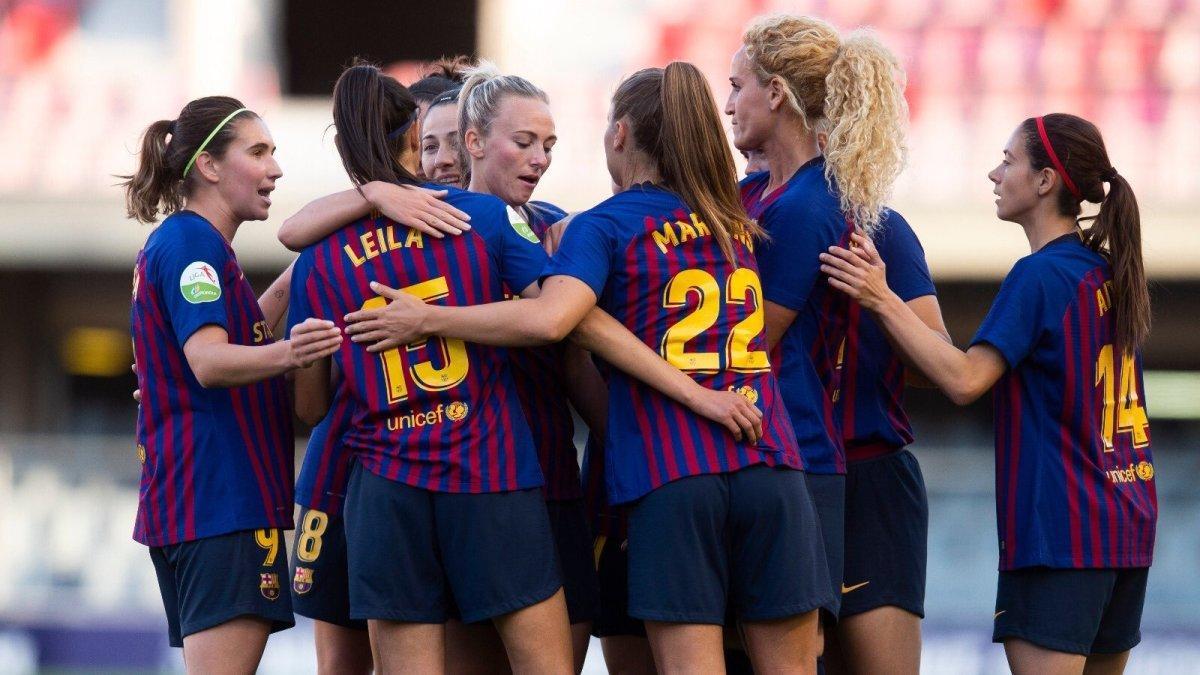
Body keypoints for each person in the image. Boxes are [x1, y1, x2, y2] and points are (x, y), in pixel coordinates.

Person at [345, 62, 830, 673]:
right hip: (770, 460)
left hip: (668, 472)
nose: (541, 157)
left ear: (620, 134)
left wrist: (428, 319)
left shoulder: (595, 226)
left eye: (548, 143)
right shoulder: (735, 221)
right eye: (527, 142)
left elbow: (555, 318)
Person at [820, 113, 1156, 675]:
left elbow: (963, 379)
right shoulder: (1106, 271)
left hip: (1060, 535)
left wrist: (880, 297)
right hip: (1126, 523)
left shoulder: (1039, 275)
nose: (994, 173)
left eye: (1008, 160)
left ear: (1045, 180)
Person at [288, 61, 577, 673]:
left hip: (386, 486)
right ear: (415, 138)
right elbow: (553, 320)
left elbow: (310, 406)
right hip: (488, 469)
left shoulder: (320, 255)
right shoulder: (483, 220)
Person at [725, 16, 929, 670]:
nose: (728, 103)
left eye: (737, 86)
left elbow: (945, 362)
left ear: (776, 93)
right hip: (788, 465)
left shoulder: (863, 216)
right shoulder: (751, 201)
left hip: (856, 468)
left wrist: (880, 299)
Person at [121, 96, 342, 672]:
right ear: (209, 166)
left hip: (200, 502)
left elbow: (248, 325)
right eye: (259, 151)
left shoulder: (191, 243)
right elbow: (210, 361)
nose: (275, 168)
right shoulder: (193, 245)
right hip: (223, 502)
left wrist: (317, 260)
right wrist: (295, 352)